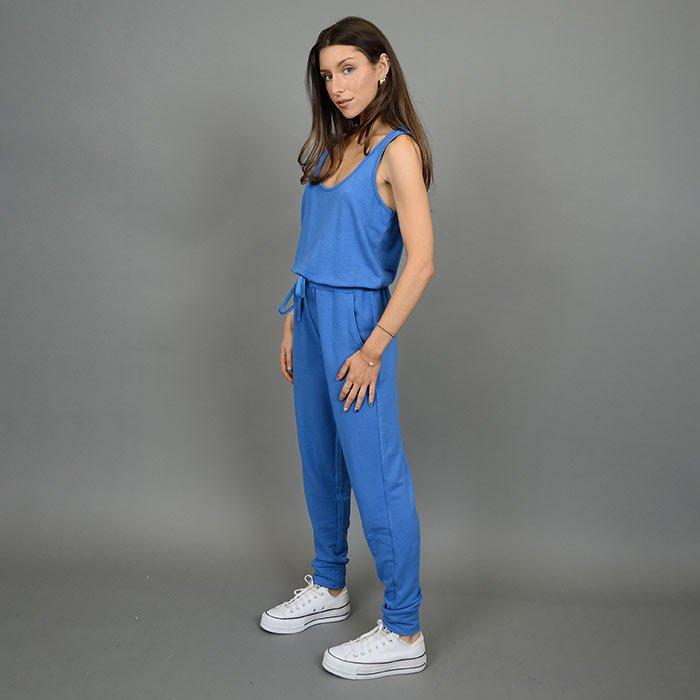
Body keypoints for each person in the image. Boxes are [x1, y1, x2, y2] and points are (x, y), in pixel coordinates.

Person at [260, 16, 436, 681]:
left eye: (349, 69)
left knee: (376, 473)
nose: (337, 85)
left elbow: (421, 262)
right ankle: (330, 584)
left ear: (382, 66)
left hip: (360, 322)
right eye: (328, 74)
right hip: (310, 313)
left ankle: (404, 627)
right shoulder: (331, 147)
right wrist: (291, 318)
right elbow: (316, 244)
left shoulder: (398, 150)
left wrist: (374, 347)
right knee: (320, 458)